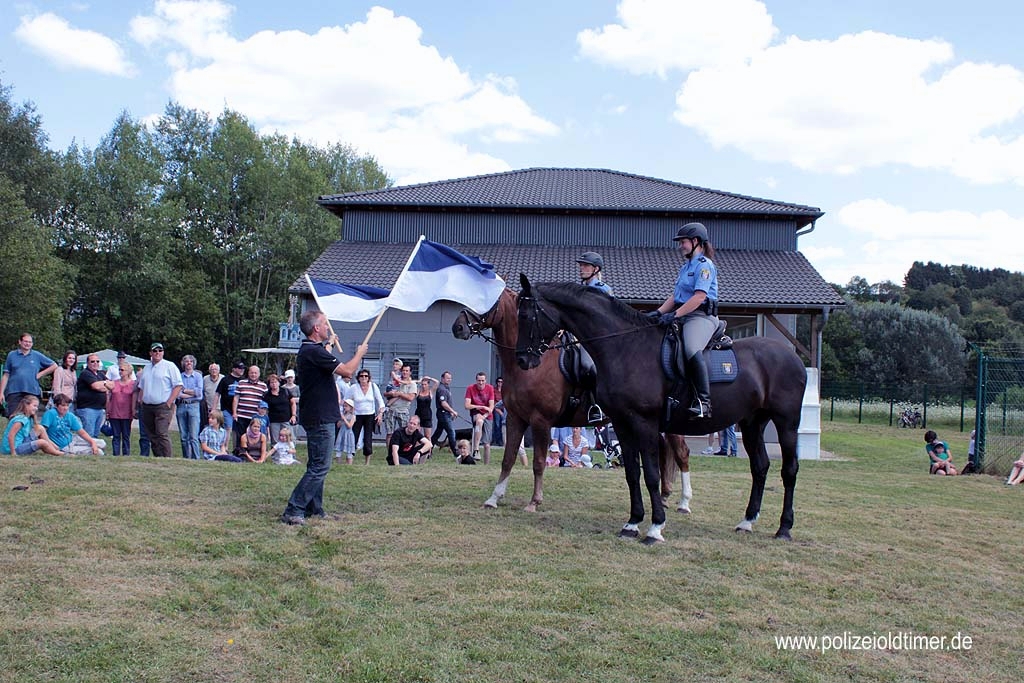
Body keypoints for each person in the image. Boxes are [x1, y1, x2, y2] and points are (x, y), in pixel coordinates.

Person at [281, 310, 368, 526]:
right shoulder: (314, 352)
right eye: (324, 324)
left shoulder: (312, 351)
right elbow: (348, 371)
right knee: (320, 467)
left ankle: (315, 508)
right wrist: (360, 353)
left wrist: (329, 344)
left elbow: (326, 358)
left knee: (316, 464)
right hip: (320, 418)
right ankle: (294, 509)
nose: (328, 327)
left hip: (316, 415)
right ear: (316, 329)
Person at [648, 222, 719, 418]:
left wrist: (675, 315)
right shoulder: (686, 267)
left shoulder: (705, 266)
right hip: (683, 316)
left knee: (690, 348)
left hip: (701, 317)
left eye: (683, 242)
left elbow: (698, 297)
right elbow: (676, 297)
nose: (681, 246)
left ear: (696, 242)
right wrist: (659, 313)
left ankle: (704, 401)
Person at [134, 342, 184, 458]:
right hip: (147, 406)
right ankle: (158, 457)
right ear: (150, 353)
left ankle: (167, 458)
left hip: (163, 405)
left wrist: (169, 402)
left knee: (162, 433)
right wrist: (140, 401)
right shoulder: (146, 367)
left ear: (163, 352)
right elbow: (142, 386)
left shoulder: (169, 366)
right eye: (155, 351)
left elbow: (178, 385)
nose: (157, 353)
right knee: (152, 434)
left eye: (160, 351)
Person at [1, 333, 57, 411]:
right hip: (14, 391)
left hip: (32, 391)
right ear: (20, 342)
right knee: (13, 416)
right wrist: (1, 393)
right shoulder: (12, 355)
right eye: (25, 341)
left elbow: (54, 365)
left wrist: (40, 374)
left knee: (29, 417)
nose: (28, 344)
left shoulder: (37, 355)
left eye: (30, 342)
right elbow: (6, 375)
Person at [40, 394, 106, 455]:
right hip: (63, 446)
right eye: (63, 405)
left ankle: (92, 446)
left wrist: (92, 442)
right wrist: (52, 445)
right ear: (56, 405)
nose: (65, 408)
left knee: (102, 443)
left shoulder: (70, 415)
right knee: (99, 452)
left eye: (67, 405)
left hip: (72, 439)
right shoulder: (50, 414)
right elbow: (42, 432)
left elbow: (81, 432)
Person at [347, 369, 385, 464]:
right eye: (361, 376)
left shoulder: (373, 386)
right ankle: (350, 460)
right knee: (353, 437)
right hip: (357, 415)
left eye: (366, 376)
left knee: (368, 438)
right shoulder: (354, 387)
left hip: (369, 415)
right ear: (358, 378)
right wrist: (350, 411)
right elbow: (346, 400)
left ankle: (367, 462)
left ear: (369, 378)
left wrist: (380, 414)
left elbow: (380, 402)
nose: (364, 378)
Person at [76, 354, 113, 438]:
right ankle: (86, 450)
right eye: (92, 361)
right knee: (89, 435)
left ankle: (93, 450)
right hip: (87, 409)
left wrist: (103, 386)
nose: (95, 363)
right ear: (88, 363)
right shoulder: (85, 373)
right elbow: (95, 386)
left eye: (97, 361)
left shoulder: (100, 374)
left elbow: (111, 385)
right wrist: (104, 384)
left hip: (99, 409)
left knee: (95, 435)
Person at [383, 364, 417, 452]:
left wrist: (400, 394)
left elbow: (410, 398)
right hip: (391, 410)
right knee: (390, 433)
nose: (405, 372)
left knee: (405, 433)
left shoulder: (412, 384)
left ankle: (403, 452)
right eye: (403, 370)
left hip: (403, 411)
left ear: (410, 372)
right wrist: (391, 394)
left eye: (407, 371)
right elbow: (385, 393)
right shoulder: (395, 381)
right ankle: (390, 453)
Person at [176, 355, 204, 459]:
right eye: (186, 361)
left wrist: (185, 390)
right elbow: (178, 394)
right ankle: (186, 458)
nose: (189, 363)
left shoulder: (198, 376)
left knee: (193, 436)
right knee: (183, 436)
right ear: (183, 364)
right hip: (181, 406)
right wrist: (192, 392)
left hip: (194, 406)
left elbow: (199, 394)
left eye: (191, 361)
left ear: (193, 363)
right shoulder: (179, 376)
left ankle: (196, 458)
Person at [465, 371, 496, 464]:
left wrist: (484, 415)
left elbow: (491, 407)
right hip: (476, 412)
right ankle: (476, 449)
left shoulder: (490, 388)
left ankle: (486, 464)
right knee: (479, 421)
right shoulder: (470, 388)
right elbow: (467, 405)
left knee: (487, 444)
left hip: (487, 416)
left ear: (485, 380)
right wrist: (480, 407)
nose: (481, 383)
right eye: (479, 380)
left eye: (482, 380)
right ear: (476, 380)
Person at [232, 365, 267, 447]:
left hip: (255, 417)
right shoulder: (241, 383)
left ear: (259, 374)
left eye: (255, 373)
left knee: (254, 436)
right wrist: (234, 412)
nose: (253, 375)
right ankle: (239, 453)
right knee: (240, 436)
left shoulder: (263, 386)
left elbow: (265, 402)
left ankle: (252, 453)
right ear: (248, 373)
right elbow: (236, 398)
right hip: (241, 415)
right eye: (251, 373)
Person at [106, 361, 136, 455]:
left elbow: (134, 398)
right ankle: (116, 454)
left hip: (127, 414)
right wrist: (107, 410)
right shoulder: (113, 383)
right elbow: (109, 397)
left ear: (128, 371)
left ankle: (126, 454)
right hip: (114, 413)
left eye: (122, 370)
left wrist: (134, 410)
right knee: (116, 436)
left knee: (126, 436)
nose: (120, 371)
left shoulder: (133, 384)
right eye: (119, 369)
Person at [433, 371, 460, 456]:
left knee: (438, 432)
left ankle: (429, 447)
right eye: (447, 378)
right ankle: (455, 452)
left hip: (446, 413)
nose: (449, 380)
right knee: (451, 432)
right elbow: (443, 403)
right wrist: (453, 411)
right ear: (442, 378)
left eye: (450, 378)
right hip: (443, 413)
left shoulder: (446, 388)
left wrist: (450, 412)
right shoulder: (442, 389)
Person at [217, 361, 246, 439]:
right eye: (239, 368)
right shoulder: (225, 379)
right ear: (234, 369)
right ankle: (225, 448)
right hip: (226, 409)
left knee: (238, 430)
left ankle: (236, 448)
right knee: (228, 428)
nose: (242, 370)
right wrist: (214, 408)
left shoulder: (244, 381)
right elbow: (217, 394)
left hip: (240, 409)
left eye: (243, 369)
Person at [263, 374, 294, 443]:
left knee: (289, 440)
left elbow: (293, 403)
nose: (274, 384)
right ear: (269, 384)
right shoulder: (266, 395)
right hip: (273, 421)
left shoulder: (285, 391)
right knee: (275, 441)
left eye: (275, 382)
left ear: (279, 383)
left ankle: (290, 454)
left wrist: (294, 415)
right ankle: (275, 454)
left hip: (286, 419)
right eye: (272, 382)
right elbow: (265, 409)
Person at [415, 375, 439, 442]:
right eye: (422, 384)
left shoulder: (430, 392)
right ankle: (416, 450)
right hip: (418, 414)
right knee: (417, 434)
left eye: (425, 384)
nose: (423, 386)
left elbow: (437, 382)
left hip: (427, 415)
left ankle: (428, 451)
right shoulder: (418, 391)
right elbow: (412, 383)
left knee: (427, 436)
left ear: (428, 385)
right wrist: (419, 381)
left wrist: (430, 378)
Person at [336, 398, 356, 464]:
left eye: (346, 406)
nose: (344, 407)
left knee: (349, 451)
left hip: (348, 434)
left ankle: (349, 463)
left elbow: (349, 426)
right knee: (338, 449)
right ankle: (338, 463)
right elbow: (338, 425)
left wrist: (344, 419)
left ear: (351, 407)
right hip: (342, 433)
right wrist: (340, 419)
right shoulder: (344, 415)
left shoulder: (353, 416)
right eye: (344, 406)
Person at [491, 376, 506, 447]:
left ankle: (502, 440)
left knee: (503, 424)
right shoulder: (494, 390)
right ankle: (497, 440)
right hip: (496, 408)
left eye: (501, 382)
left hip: (504, 409)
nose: (500, 383)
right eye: (498, 382)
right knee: (497, 424)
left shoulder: (505, 390)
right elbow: (493, 401)